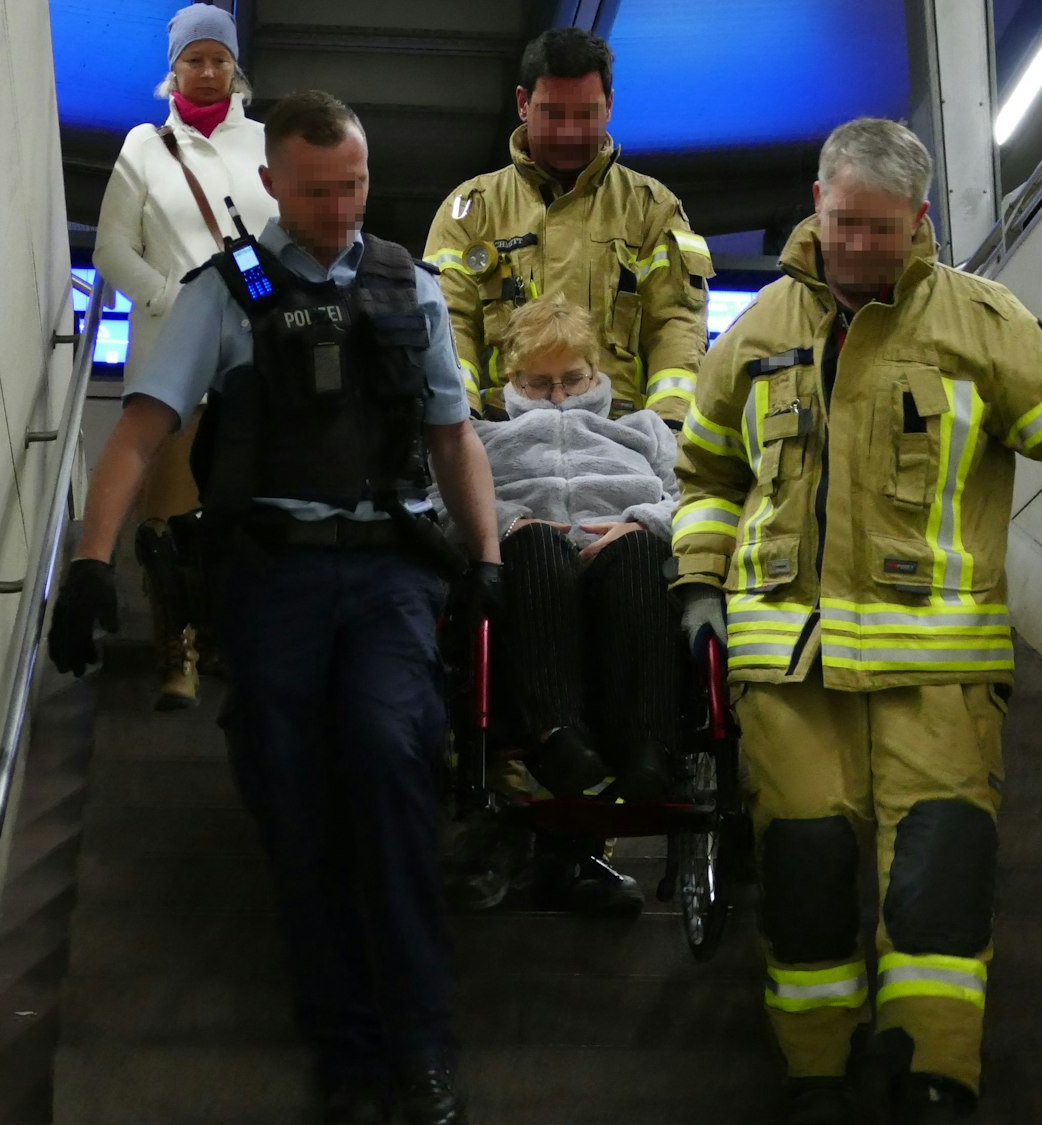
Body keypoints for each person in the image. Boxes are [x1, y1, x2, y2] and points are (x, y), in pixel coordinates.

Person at [670, 118, 1042, 1125]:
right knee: (801, 884)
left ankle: (933, 1082)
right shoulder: (753, 336)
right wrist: (699, 585)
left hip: (938, 678)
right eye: (841, 225)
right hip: (785, 672)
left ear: (918, 220)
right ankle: (814, 1077)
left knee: (936, 892)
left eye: (880, 230)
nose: (856, 248)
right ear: (816, 203)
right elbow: (705, 473)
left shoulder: (982, 325)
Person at [48, 90, 495, 1125]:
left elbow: (451, 437)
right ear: (270, 186)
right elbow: (136, 433)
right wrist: (87, 567)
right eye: (317, 190)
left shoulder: (406, 286)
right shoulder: (227, 292)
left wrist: (486, 557)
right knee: (294, 807)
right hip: (274, 578)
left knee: (389, 764)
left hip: (389, 572)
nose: (341, 207)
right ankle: (342, 1050)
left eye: (355, 186)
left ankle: (421, 1045)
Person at [434, 296, 682, 914]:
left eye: (572, 380)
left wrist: (641, 522)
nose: (558, 397)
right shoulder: (482, 437)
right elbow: (445, 506)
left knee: (643, 553)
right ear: (510, 381)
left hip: (621, 564)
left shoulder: (644, 431)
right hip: (527, 574)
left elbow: (696, 497)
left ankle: (648, 744)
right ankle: (557, 735)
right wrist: (509, 529)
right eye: (538, 383)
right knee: (537, 544)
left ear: (597, 374)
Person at [93, 2, 277, 710]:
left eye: (219, 59)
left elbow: (291, 231)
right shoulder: (144, 147)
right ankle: (179, 652)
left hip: (256, 352)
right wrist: (173, 296)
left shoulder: (265, 141)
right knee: (169, 509)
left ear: (237, 68)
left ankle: (234, 638)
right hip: (173, 346)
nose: (207, 72)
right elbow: (111, 246)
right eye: (193, 60)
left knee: (249, 502)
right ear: (172, 72)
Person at [423, 27, 713, 425]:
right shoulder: (470, 210)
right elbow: (450, 327)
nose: (570, 132)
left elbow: (675, 327)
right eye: (553, 114)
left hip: (621, 442)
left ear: (609, 105)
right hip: (501, 438)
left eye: (586, 114)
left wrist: (667, 429)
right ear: (523, 103)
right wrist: (462, 426)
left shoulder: (653, 208)